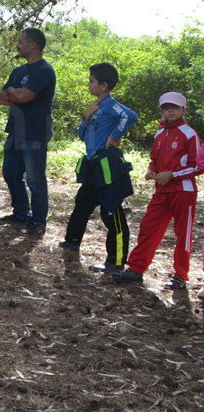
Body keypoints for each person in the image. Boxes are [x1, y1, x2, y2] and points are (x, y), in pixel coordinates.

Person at [113, 92, 201, 291]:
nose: (171, 110)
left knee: (182, 234)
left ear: (183, 110)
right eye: (166, 107)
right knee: (148, 227)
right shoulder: (159, 135)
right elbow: (154, 158)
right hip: (161, 191)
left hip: (183, 191)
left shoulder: (189, 134)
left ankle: (180, 275)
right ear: (161, 110)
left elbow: (198, 166)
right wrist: (151, 170)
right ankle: (136, 269)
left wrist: (173, 174)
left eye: (175, 107)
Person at [59, 63, 137, 272]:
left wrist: (114, 136)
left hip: (108, 163)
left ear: (103, 85)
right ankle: (72, 241)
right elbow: (82, 135)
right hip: (93, 163)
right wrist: (86, 117)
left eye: (91, 81)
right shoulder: (95, 106)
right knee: (83, 202)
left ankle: (116, 260)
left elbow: (130, 116)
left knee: (110, 209)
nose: (88, 84)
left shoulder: (111, 104)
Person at [0, 28, 56, 235]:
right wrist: (17, 93)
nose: (18, 45)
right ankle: (21, 213)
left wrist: (15, 93)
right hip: (15, 131)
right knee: (10, 173)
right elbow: (1, 97)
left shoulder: (44, 70)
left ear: (33, 45)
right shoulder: (18, 71)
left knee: (35, 178)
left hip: (35, 133)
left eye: (21, 41)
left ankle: (39, 220)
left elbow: (23, 97)